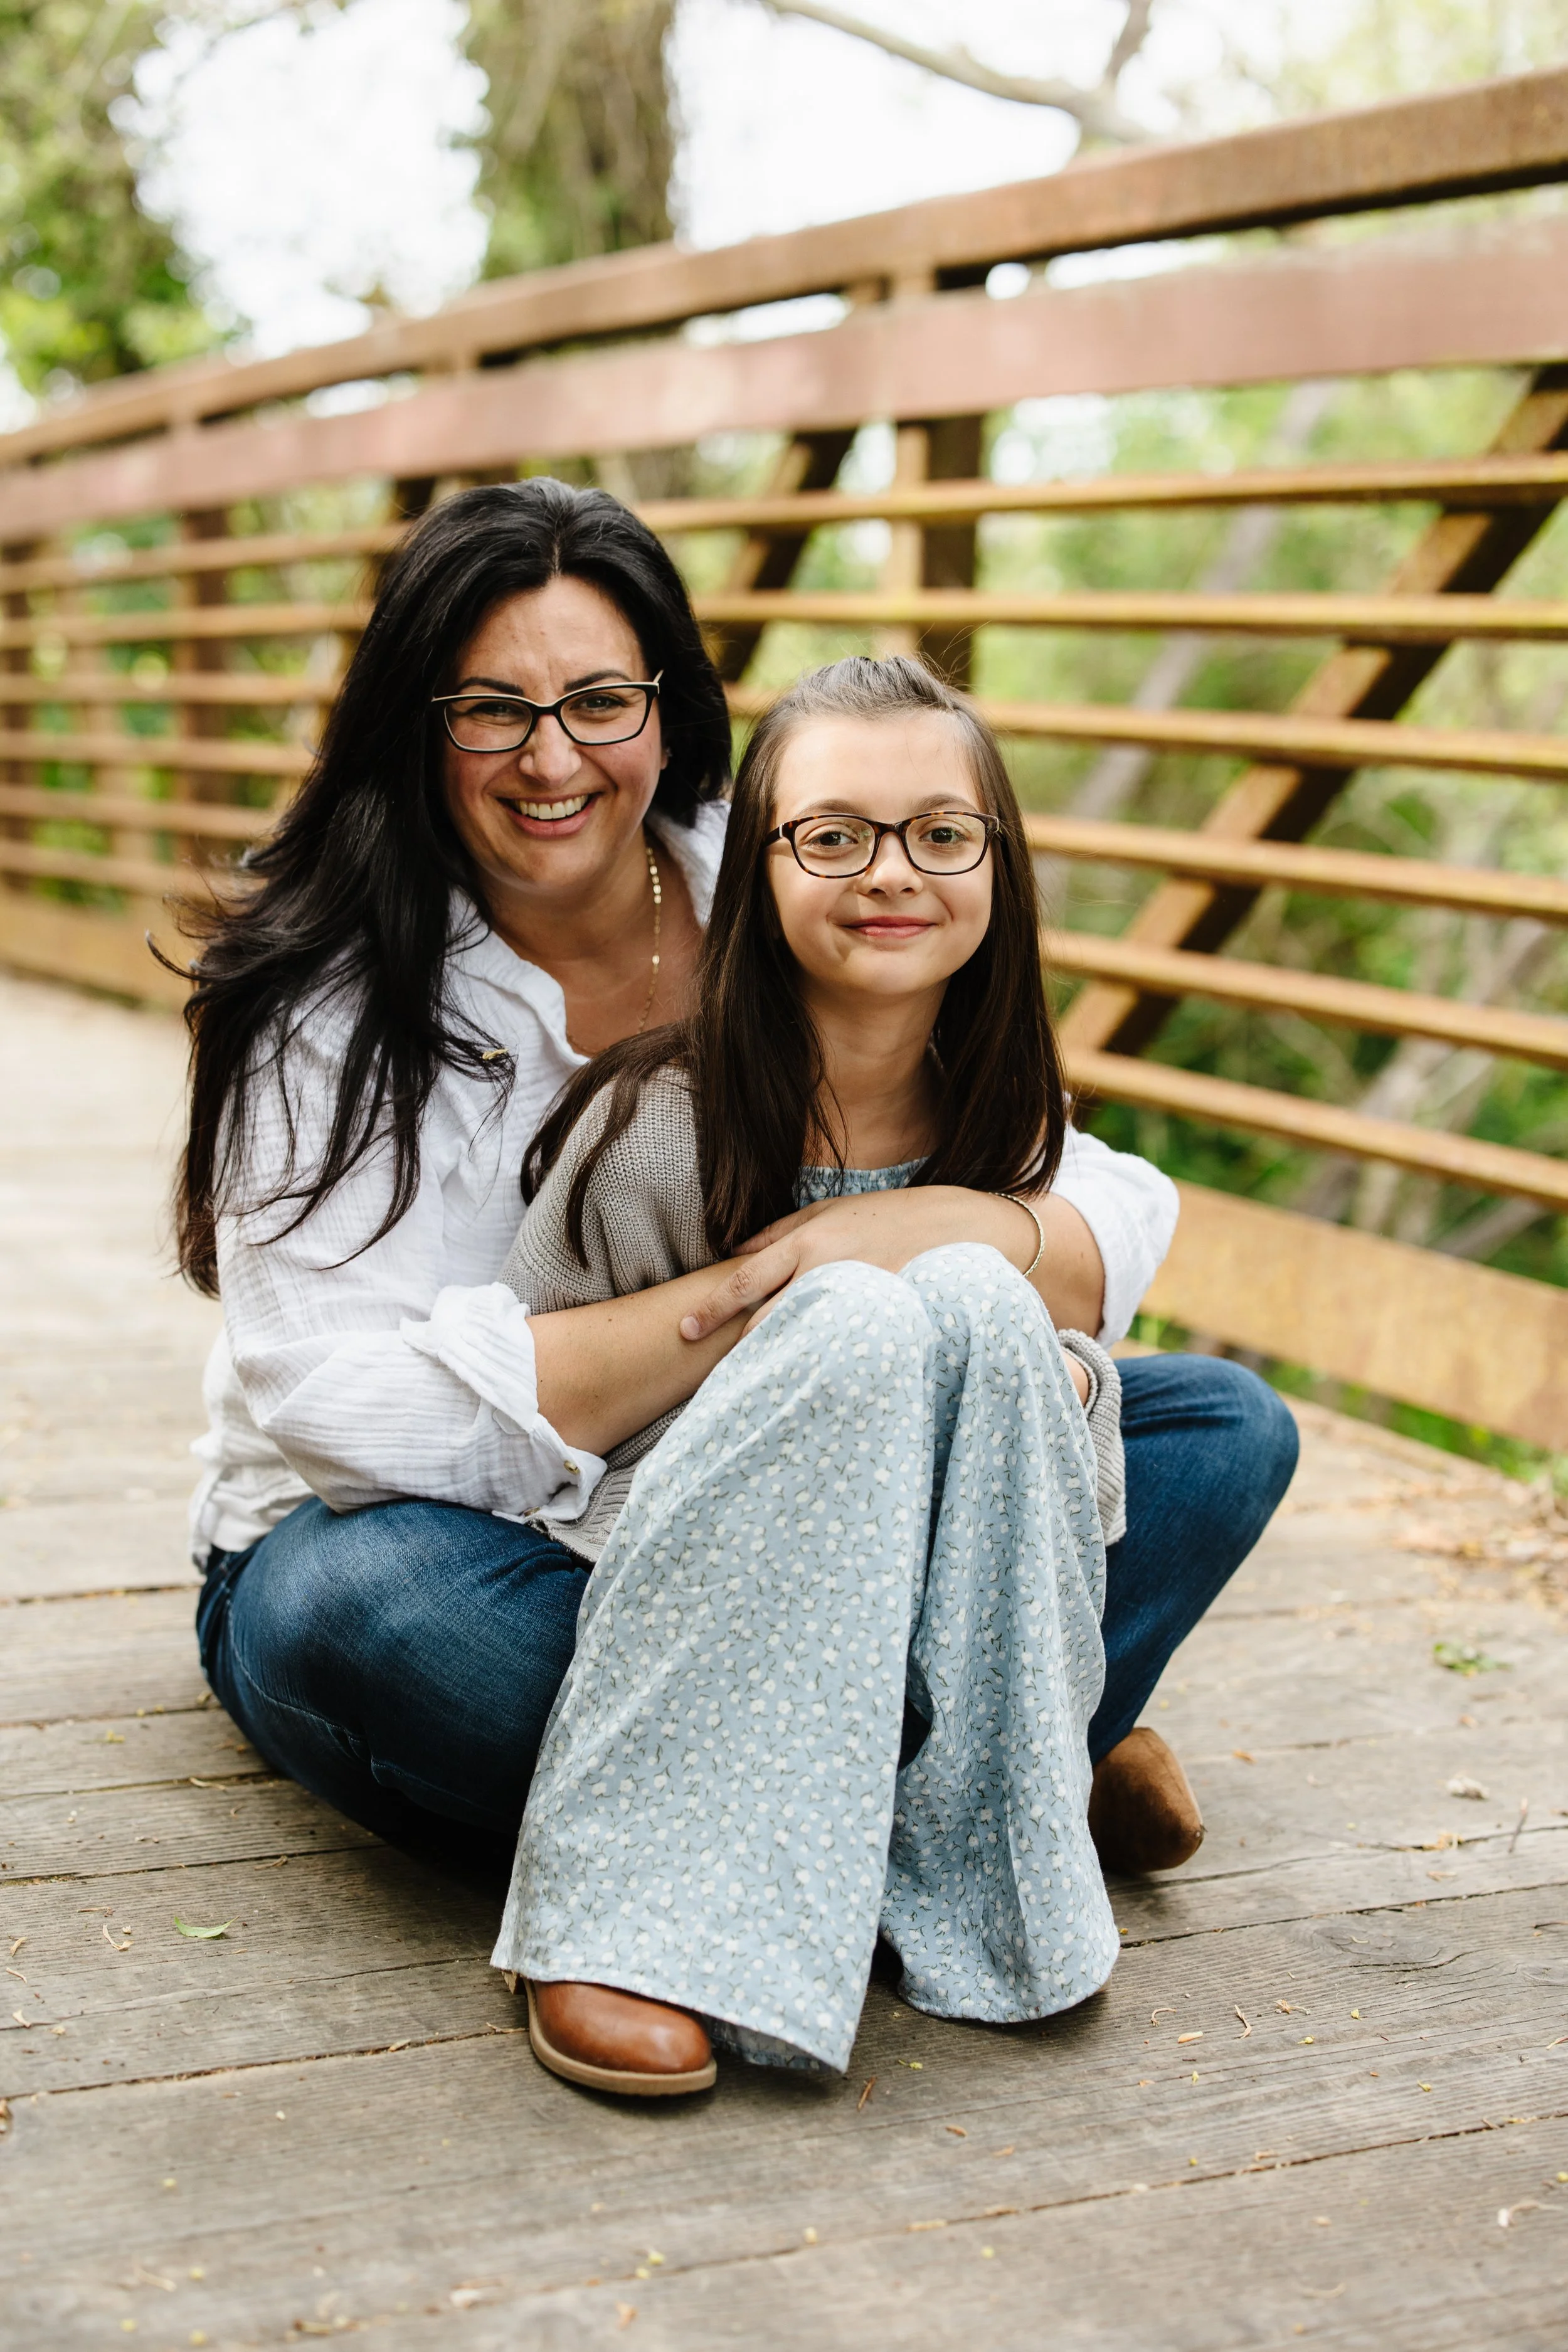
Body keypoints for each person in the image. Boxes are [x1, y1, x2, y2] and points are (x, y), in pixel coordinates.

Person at [180, 479, 1296, 2009]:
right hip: (455, 1533)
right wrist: (759, 1300)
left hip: (809, 1484)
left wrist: (908, 1236)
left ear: (669, 706)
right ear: (412, 720)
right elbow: (341, 1414)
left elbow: (1106, 1203)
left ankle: (902, 1764)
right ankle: (995, 1750)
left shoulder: (775, 862)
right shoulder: (320, 1000)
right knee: (375, 1628)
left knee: (1216, 1430)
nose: (552, 757)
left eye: (598, 700)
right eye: (491, 710)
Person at [495, 654, 1134, 2094]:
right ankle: (631, 1921)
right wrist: (827, 1341)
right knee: (854, 1320)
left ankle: (987, 1851)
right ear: (763, 871)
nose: (887, 875)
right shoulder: (654, 1126)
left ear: (995, 864)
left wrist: (1050, 1382)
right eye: (831, 835)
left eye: (939, 834)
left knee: (1056, 1340)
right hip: (674, 1580)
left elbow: (1065, 1412)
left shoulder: (1012, 1113)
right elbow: (534, 1434)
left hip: (940, 1580)